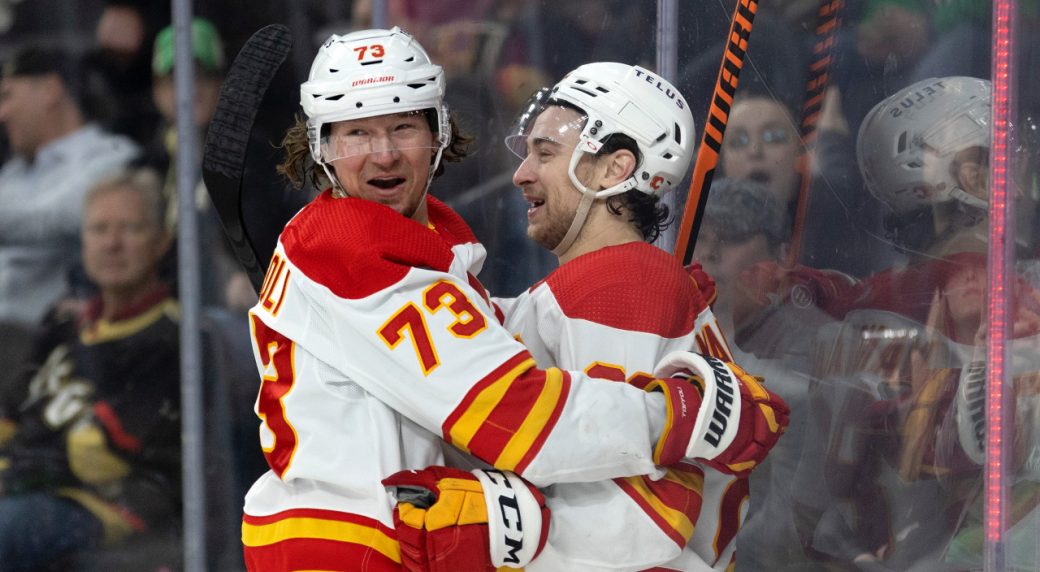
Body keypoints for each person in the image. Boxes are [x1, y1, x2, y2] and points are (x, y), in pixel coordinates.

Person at [239, 27, 787, 571]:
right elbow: (513, 410)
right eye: (357, 133)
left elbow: (631, 525)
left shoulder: (616, 282)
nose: (383, 154)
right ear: (323, 147)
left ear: (437, 133)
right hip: (350, 549)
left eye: (403, 127)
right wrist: (677, 417)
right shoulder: (348, 245)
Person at [402, 63, 772, 571]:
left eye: (546, 153)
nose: (521, 173)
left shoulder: (619, 284)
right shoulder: (612, 283)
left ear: (614, 169)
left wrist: (493, 542)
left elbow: (632, 526)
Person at [0, 168, 182, 569]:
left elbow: (99, 458)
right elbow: (10, 417)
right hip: (31, 490)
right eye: (99, 229)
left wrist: (18, 468)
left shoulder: (172, 336)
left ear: (161, 242)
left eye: (129, 228)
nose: (111, 244)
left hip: (109, 504)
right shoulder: (64, 327)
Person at [0, 45, 140, 329]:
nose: (2, 114)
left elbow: (53, 218)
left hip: (50, 332)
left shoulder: (110, 156)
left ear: (50, 89)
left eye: (7, 96)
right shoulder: (11, 173)